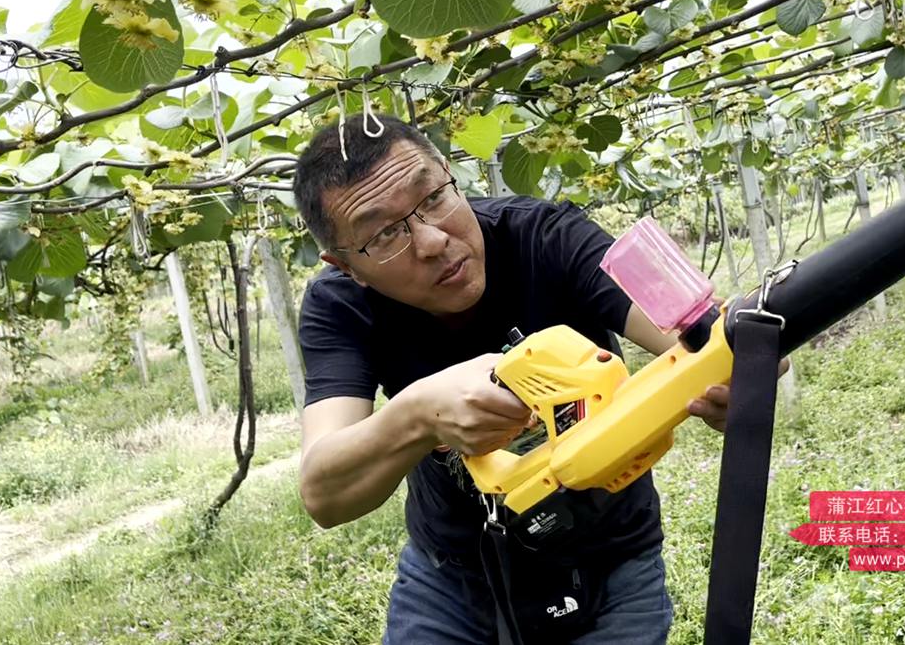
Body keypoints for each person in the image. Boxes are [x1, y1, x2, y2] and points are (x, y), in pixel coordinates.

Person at [292, 114, 734, 644]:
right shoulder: (340, 306)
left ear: (450, 174)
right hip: (453, 577)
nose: (432, 241)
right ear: (345, 265)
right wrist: (419, 414)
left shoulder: (547, 237)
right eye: (385, 233)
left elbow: (705, 344)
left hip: (612, 560)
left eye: (433, 197)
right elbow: (324, 492)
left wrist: (737, 364)